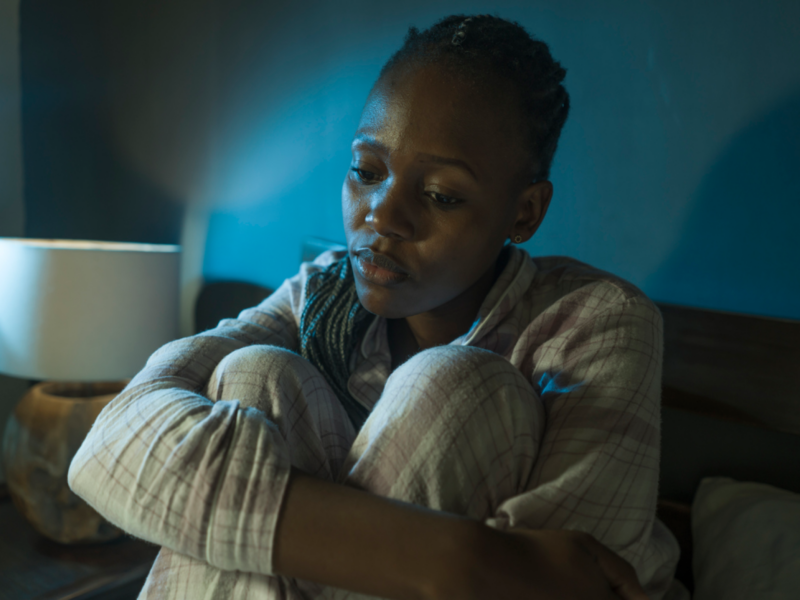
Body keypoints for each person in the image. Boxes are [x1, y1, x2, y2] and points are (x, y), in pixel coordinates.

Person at [69, 13, 685, 600]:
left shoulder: (599, 324)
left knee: (454, 384)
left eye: (441, 195)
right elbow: (106, 449)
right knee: (257, 374)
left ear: (523, 212)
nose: (382, 215)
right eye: (366, 170)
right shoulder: (321, 294)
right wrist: (455, 559)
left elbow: (567, 586)